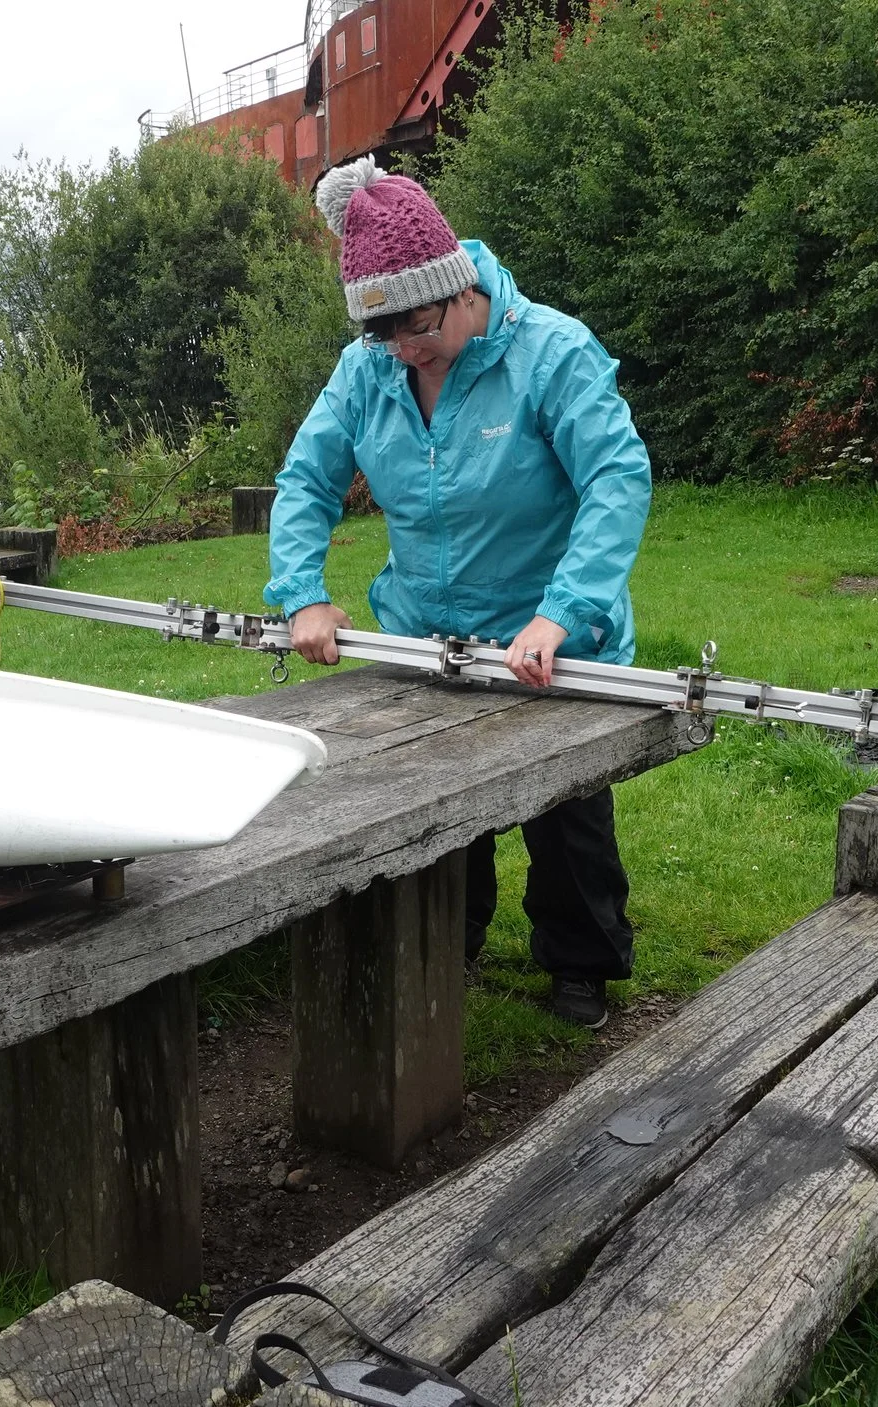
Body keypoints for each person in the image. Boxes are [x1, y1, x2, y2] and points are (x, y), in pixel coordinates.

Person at [265, 158, 654, 1029]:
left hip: (551, 638)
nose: (403, 350)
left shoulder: (553, 352)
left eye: (416, 328)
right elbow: (306, 479)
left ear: (459, 288)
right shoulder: (367, 366)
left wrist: (563, 612)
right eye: (382, 334)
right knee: (439, 811)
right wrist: (302, 593)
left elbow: (617, 479)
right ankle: (449, 941)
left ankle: (581, 962)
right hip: (423, 639)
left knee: (567, 815)